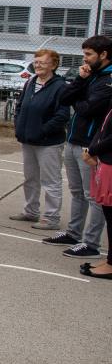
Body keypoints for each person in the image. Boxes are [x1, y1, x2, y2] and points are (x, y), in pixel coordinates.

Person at [54, 35, 112, 257]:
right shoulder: (90, 75)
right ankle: (73, 233)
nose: (84, 59)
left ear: (103, 54)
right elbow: (63, 98)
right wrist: (80, 80)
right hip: (73, 139)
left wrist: (76, 101)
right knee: (77, 191)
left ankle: (91, 243)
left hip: (91, 146)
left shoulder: (108, 80)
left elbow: (89, 109)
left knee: (93, 196)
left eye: (89, 54)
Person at [10, 49, 70, 230]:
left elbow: (62, 115)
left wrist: (43, 131)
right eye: (36, 62)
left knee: (51, 181)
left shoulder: (61, 86)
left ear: (53, 64)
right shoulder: (30, 82)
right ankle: (30, 211)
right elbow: (20, 106)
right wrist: (19, 125)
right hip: (28, 140)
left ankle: (51, 218)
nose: (38, 65)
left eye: (42, 62)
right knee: (30, 178)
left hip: (48, 143)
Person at [79, 112, 112, 278]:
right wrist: (91, 150)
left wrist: (92, 150)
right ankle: (110, 260)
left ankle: (111, 265)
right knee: (108, 212)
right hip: (106, 160)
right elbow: (103, 128)